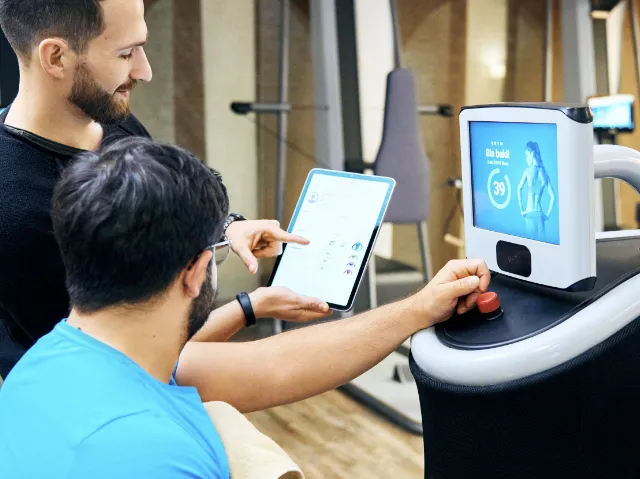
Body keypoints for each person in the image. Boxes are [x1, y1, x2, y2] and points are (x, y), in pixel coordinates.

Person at [0, 138, 490, 478]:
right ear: (195, 271)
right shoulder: (154, 453)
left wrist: (419, 309)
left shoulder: (44, 364)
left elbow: (275, 365)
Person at [0, 0, 330, 377]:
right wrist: (249, 309)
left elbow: (163, 216)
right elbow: (120, 361)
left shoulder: (107, 117)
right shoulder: (14, 212)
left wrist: (226, 229)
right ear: (57, 57)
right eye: (126, 53)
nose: (145, 71)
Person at [517, 141, 556, 239]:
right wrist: (547, 215)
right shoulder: (544, 174)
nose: (526, 159)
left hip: (529, 213)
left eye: (527, 156)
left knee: (531, 243)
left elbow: (519, 189)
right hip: (540, 215)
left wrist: (522, 210)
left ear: (532, 154)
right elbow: (553, 196)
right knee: (542, 245)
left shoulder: (527, 171)